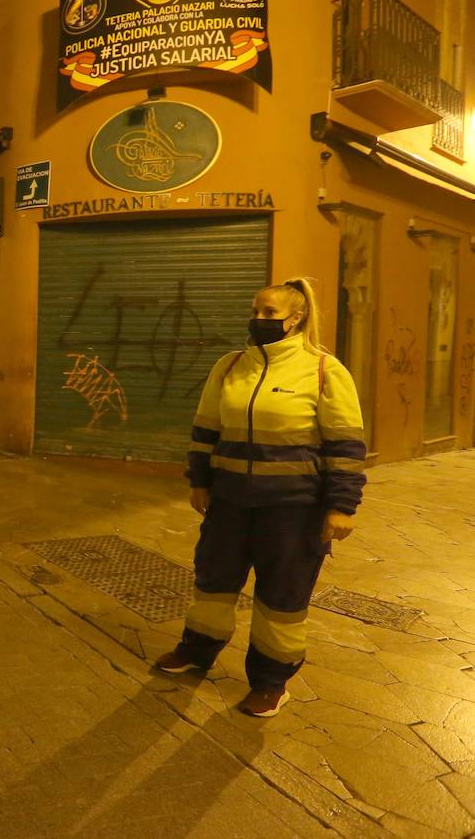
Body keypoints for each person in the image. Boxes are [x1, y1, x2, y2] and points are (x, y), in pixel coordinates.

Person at [156, 278, 366, 717]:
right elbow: (206, 429)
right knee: (213, 584)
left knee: (281, 600)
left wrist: (341, 506)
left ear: (297, 317)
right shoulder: (231, 366)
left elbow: (345, 446)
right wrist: (199, 480)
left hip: (293, 510)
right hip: (230, 502)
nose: (259, 319)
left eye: (270, 313)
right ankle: (197, 650)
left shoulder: (325, 370)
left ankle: (271, 681)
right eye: (256, 311)